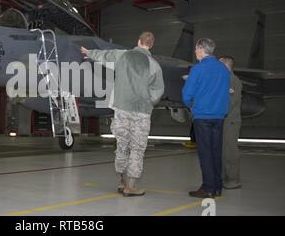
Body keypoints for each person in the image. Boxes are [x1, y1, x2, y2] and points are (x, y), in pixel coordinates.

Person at [81, 31, 164, 197]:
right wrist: (149, 100)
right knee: (137, 149)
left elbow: (105, 56)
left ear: (138, 41)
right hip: (141, 112)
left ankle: (121, 182)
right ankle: (131, 187)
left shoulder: (123, 55)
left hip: (121, 109)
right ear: (151, 45)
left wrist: (89, 52)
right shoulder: (154, 65)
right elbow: (158, 91)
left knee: (122, 146)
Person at [182, 38, 230, 199]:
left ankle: (208, 188)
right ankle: (217, 186)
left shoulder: (198, 69)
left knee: (205, 153)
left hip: (203, 116)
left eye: (196, 48)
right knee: (216, 151)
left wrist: (190, 105)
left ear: (201, 49)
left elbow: (187, 94)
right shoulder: (223, 69)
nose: (195, 51)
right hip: (219, 116)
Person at [219, 56, 243, 189]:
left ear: (225, 66)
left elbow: (229, 103)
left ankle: (233, 180)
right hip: (224, 121)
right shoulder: (224, 80)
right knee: (222, 151)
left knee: (230, 151)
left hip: (230, 122)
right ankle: (224, 178)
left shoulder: (232, 80)